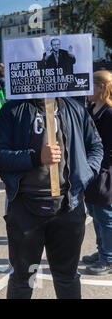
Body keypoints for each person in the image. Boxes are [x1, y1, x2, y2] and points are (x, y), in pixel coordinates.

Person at [0, 95, 103, 299]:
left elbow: (95, 146)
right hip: (25, 209)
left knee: (66, 277)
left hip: (68, 206)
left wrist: (86, 174)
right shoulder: (13, 109)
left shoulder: (74, 108)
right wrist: (35, 157)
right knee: (24, 278)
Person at [83, 70, 112, 275]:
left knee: (105, 215)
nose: (87, 89)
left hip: (105, 171)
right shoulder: (92, 107)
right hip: (92, 169)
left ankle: (108, 259)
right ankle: (102, 250)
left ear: (101, 87)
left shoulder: (109, 113)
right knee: (94, 212)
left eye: (91, 84)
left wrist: (101, 166)